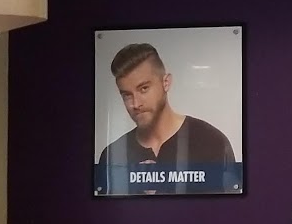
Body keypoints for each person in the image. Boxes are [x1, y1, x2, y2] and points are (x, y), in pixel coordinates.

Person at [95, 41, 236, 195]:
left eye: (144, 89)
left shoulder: (212, 142)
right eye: (127, 95)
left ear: (166, 83)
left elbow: (229, 208)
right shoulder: (112, 156)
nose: (135, 104)